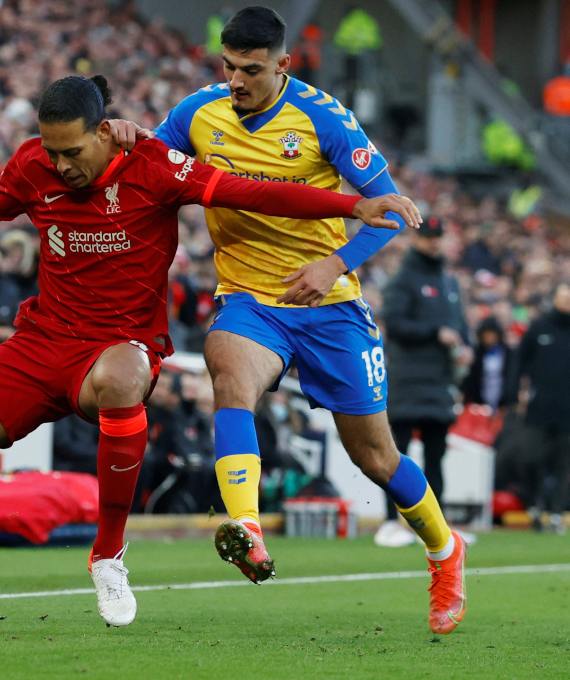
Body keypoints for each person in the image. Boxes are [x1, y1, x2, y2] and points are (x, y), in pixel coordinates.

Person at [0, 74, 412, 631]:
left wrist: (352, 205)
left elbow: (256, 192)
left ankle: (108, 556)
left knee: (125, 375)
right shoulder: (32, 166)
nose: (61, 164)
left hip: (116, 348)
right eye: (52, 150)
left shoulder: (155, 166)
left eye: (72, 151)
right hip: (41, 343)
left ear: (103, 133)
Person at [110, 5, 461, 635]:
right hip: (250, 298)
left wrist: (335, 263)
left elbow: (385, 210)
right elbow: (148, 166)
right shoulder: (198, 113)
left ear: (283, 65)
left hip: (330, 307)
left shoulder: (324, 118)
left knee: (376, 457)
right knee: (228, 367)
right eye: (228, 67)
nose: (236, 80)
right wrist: (126, 136)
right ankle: (245, 524)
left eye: (251, 69)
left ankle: (445, 551)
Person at [380, 217, 471, 547]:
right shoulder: (403, 278)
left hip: (439, 381)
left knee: (436, 456)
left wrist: (466, 347)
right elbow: (394, 323)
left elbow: (460, 325)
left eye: (438, 236)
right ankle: (392, 522)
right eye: (428, 236)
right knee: (396, 455)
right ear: (416, 239)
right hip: (407, 379)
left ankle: (436, 526)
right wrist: (435, 333)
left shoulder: (448, 281)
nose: (434, 242)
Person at [510, 284, 570, 535]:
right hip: (539, 407)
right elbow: (519, 361)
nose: (569, 302)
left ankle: (556, 513)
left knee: (563, 463)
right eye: (565, 297)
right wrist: (514, 393)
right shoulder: (539, 327)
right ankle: (535, 505)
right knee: (531, 457)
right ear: (555, 299)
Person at [462, 316, 514, 410]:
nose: (488, 337)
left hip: (502, 399)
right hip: (480, 401)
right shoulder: (478, 353)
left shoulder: (507, 353)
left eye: (491, 334)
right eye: (486, 334)